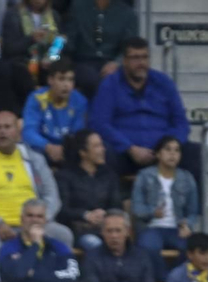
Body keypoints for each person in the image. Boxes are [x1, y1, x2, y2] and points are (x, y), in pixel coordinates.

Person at [0, 110, 72, 252]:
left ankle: (59, 274)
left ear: (18, 132)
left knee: (63, 234)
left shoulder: (35, 159)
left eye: (7, 127)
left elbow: (52, 195)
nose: (2, 132)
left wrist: (40, 219)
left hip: (34, 221)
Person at [91, 37, 195, 180]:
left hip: (161, 152)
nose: (141, 63)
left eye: (145, 57)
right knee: (103, 152)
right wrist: (129, 147)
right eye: (135, 58)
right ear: (124, 61)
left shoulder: (164, 83)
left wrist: (167, 148)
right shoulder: (110, 85)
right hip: (124, 153)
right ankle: (114, 202)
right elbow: (100, 124)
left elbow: (181, 123)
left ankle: (193, 202)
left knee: (194, 152)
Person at [130, 134, 199, 282]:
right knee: (148, 247)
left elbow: (193, 211)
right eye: (168, 150)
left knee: (191, 249)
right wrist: (152, 212)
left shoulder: (187, 178)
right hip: (151, 226)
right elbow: (137, 208)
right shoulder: (144, 176)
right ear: (158, 154)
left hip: (176, 228)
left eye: (177, 150)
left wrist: (187, 224)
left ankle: (172, 279)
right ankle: (165, 281)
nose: (173, 154)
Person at [56, 129, 121, 254]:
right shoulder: (65, 176)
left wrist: (104, 213)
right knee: (95, 245)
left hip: (106, 228)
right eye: (97, 146)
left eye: (101, 145)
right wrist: (86, 215)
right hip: (79, 230)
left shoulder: (109, 175)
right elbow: (62, 210)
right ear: (83, 152)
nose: (103, 149)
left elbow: (116, 205)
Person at [0, 198, 79, 282]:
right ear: (22, 219)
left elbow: (71, 277)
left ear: (45, 220)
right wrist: (35, 245)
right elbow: (17, 273)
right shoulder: (9, 247)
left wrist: (33, 273)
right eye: (30, 215)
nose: (34, 220)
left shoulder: (59, 246)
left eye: (39, 216)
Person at [21, 58, 86, 169]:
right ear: (50, 80)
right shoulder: (36, 98)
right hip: (42, 149)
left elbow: (78, 134)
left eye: (70, 80)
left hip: (67, 151)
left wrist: (64, 149)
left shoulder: (79, 101)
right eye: (61, 79)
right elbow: (28, 131)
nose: (66, 85)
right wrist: (48, 146)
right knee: (30, 151)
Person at [66, 0, 137, 100]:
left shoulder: (127, 13)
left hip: (112, 61)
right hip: (83, 61)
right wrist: (53, 55)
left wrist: (117, 63)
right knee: (92, 80)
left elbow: (130, 46)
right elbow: (68, 39)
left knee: (116, 79)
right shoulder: (78, 7)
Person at [77, 211, 151, 282]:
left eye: (118, 230)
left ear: (127, 232)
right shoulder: (92, 257)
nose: (114, 236)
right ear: (102, 232)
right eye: (109, 231)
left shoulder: (141, 256)